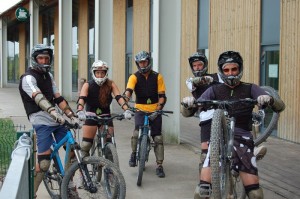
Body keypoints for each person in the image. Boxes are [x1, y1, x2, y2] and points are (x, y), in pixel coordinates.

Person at [192, 51, 285, 199]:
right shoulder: (214, 89)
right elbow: (189, 110)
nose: (230, 74)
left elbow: (280, 107)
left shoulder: (250, 88)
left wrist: (269, 99)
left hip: (242, 136)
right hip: (219, 140)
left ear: (240, 69)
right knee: (201, 192)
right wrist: (188, 103)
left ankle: (248, 158)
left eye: (234, 69)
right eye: (226, 70)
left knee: (255, 193)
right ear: (221, 71)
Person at [19, 44, 79, 198]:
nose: (44, 61)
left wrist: (70, 114)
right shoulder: (28, 78)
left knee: (71, 150)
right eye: (40, 58)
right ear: (34, 59)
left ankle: (68, 185)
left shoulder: (49, 76)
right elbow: (38, 98)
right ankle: (31, 193)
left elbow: (58, 97)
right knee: (44, 163)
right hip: (41, 120)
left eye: (46, 58)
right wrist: (54, 112)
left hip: (55, 119)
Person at [181, 52, 221, 198]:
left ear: (205, 65)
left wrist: (213, 79)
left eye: (200, 65)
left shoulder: (217, 77)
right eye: (195, 65)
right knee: (205, 153)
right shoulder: (190, 81)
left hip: (221, 114)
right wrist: (205, 79)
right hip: (205, 117)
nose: (197, 67)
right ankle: (204, 184)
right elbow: (195, 82)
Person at [123, 50, 167, 178]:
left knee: (158, 138)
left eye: (145, 62)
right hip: (140, 110)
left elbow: (162, 95)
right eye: (140, 63)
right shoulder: (134, 77)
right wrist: (124, 99)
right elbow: (128, 91)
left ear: (149, 62)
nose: (143, 65)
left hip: (155, 110)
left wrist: (159, 108)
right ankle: (133, 153)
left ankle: (159, 165)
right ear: (137, 64)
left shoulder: (157, 76)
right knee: (136, 134)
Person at [76, 60, 133, 157]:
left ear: (106, 73)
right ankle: (83, 169)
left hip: (106, 117)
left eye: (102, 73)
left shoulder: (111, 84)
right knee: (86, 145)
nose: (100, 75)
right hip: (91, 117)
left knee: (110, 145)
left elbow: (119, 97)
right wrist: (80, 110)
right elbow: (82, 98)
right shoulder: (88, 85)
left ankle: (110, 170)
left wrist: (126, 109)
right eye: (97, 73)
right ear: (94, 73)